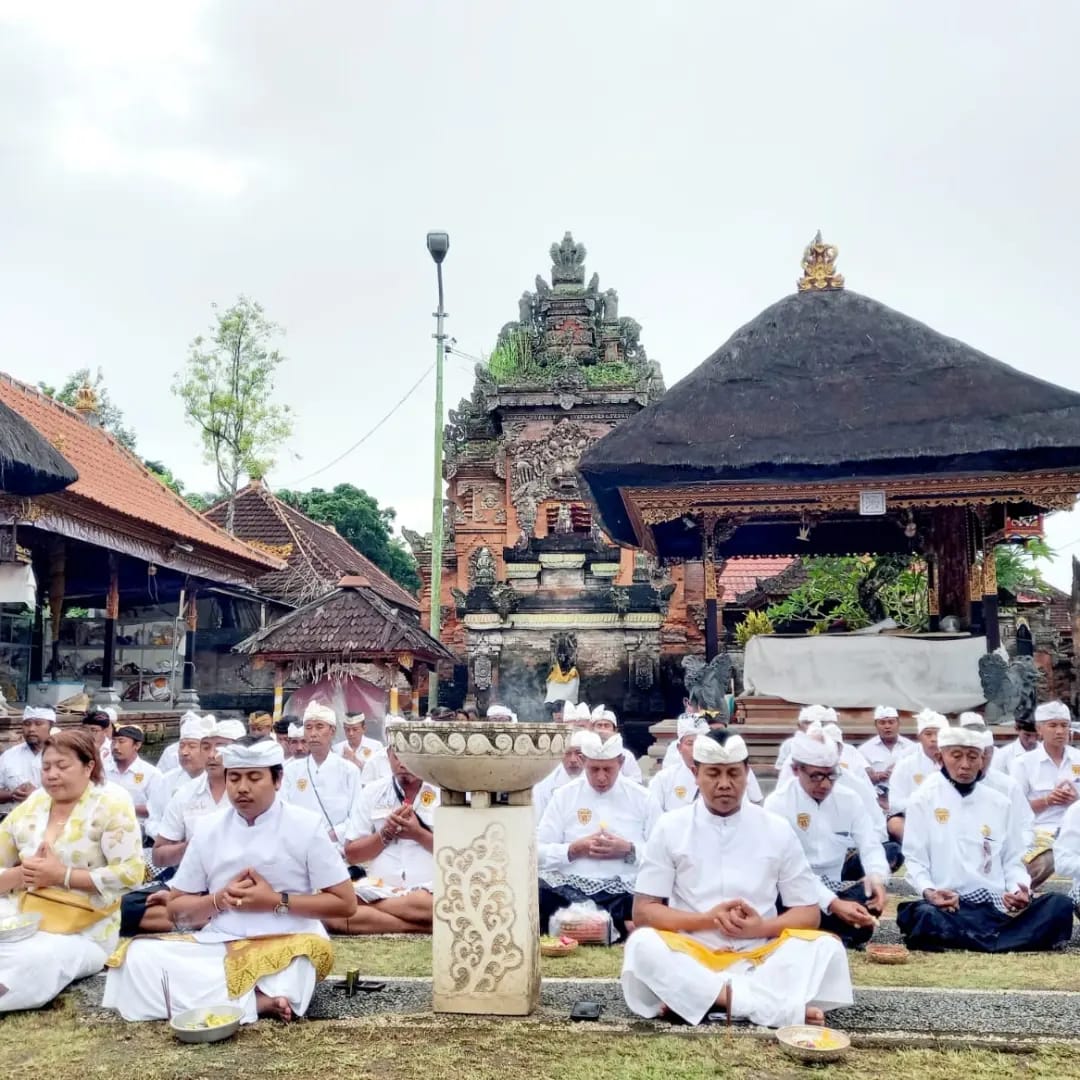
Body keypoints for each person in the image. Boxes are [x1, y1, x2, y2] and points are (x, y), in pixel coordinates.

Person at [102, 738, 357, 1024]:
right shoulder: (208, 829)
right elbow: (176, 908)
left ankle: (256, 997)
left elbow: (345, 903)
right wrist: (218, 900)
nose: (242, 787)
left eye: (254, 777)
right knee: (138, 956)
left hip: (290, 938)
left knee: (301, 959)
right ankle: (255, 1000)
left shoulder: (305, 825)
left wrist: (275, 902)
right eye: (234, 778)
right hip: (220, 940)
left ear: (277, 779)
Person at [621, 728, 853, 1028]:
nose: (724, 785)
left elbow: (808, 913)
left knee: (828, 947)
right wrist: (708, 920)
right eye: (713, 774)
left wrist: (760, 927)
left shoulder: (776, 828)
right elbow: (644, 912)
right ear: (695, 774)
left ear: (747, 772)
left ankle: (703, 1001)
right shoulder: (670, 827)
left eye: (733, 774)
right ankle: (770, 1009)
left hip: (760, 955)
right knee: (642, 945)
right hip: (692, 951)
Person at [0, 730, 144, 1011]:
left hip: (84, 930)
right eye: (46, 767)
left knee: (36, 958)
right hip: (22, 914)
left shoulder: (112, 802)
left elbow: (132, 873)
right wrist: (20, 876)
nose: (52, 775)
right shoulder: (35, 804)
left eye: (62, 766)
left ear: (89, 766)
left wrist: (62, 876)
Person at [897, 724, 1074, 952]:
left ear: (983, 760)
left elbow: (1012, 860)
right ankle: (1001, 940)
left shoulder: (999, 802)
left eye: (973, 757)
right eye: (956, 756)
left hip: (994, 907)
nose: (965, 765)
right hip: (949, 907)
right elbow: (915, 859)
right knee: (924, 915)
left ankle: (976, 939)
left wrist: (1019, 889)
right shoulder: (923, 800)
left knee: (1060, 905)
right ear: (940, 758)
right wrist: (929, 891)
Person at [765, 723, 887, 948]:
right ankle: (824, 924)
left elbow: (871, 845)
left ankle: (819, 926)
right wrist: (833, 904)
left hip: (835, 887)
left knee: (865, 902)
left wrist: (877, 877)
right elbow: (791, 869)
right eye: (816, 776)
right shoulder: (777, 804)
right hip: (792, 890)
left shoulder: (849, 798)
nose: (824, 784)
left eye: (831, 776)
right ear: (795, 770)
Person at [537, 733, 660, 941]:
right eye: (594, 769)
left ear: (620, 763)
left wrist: (629, 850)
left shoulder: (643, 798)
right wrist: (573, 850)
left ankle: (604, 927)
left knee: (653, 900)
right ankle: (609, 929)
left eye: (608, 769)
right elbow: (536, 851)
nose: (601, 777)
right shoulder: (564, 796)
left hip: (624, 891)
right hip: (572, 889)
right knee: (540, 894)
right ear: (584, 762)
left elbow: (662, 855)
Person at [328, 747, 439, 935]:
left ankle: (390, 916)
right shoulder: (373, 792)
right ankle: (420, 925)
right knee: (331, 913)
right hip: (381, 888)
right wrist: (385, 835)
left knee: (430, 904)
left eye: (408, 757)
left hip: (429, 889)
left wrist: (418, 834)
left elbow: (458, 855)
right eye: (397, 756)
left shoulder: (443, 793)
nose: (402, 763)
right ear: (388, 756)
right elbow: (352, 854)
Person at [1008, 700, 1080, 889]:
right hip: (1041, 832)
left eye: (1064, 725)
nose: (1059, 731)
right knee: (1040, 864)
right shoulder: (1023, 763)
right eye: (1053, 725)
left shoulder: (1078, 758)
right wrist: (1047, 801)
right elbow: (1016, 809)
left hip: (1076, 830)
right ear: (1039, 730)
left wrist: (1076, 801)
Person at [282, 703, 359, 850]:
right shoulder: (290, 771)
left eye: (319, 726)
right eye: (308, 727)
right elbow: (283, 811)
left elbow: (357, 815)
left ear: (332, 731)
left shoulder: (349, 771)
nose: (313, 733)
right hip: (299, 845)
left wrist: (332, 834)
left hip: (337, 847)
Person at [145, 713, 213, 840]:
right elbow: (153, 819)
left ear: (206, 750)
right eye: (181, 746)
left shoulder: (217, 781)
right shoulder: (166, 780)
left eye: (192, 746)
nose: (184, 752)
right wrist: (168, 838)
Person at [887, 710, 947, 841]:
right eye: (928, 734)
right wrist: (922, 804)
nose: (934, 739)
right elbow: (895, 804)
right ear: (919, 737)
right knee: (895, 824)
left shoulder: (955, 763)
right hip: (914, 818)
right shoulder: (906, 764)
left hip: (948, 817)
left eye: (938, 734)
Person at [648, 715, 709, 815]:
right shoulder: (663, 779)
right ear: (679, 747)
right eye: (690, 743)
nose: (696, 748)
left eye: (701, 742)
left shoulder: (719, 777)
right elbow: (652, 816)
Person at [105, 725, 162, 833]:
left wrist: (123, 808)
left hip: (138, 828)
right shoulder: (103, 770)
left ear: (137, 745)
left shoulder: (152, 774)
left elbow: (158, 808)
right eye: (113, 742)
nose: (116, 746)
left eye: (121, 742)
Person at [0, 706, 52, 815]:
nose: (31, 729)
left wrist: (38, 795)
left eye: (38, 723)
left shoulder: (63, 755)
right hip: (12, 822)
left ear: (50, 727)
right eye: (27, 724)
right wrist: (12, 794)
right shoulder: (9, 756)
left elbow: (75, 794)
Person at [859, 706, 914, 798]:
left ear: (898, 724)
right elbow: (859, 780)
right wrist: (877, 777)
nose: (887, 726)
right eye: (882, 723)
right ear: (876, 725)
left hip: (907, 799)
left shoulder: (911, 747)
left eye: (891, 722)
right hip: (877, 802)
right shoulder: (864, 750)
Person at [534, 730, 589, 822]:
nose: (573, 760)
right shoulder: (545, 784)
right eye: (567, 753)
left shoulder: (598, 781)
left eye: (578, 753)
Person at [591, 706, 644, 783]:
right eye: (599, 725)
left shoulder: (626, 755)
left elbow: (636, 780)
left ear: (615, 730)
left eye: (606, 725)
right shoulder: (585, 752)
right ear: (592, 729)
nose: (602, 729)